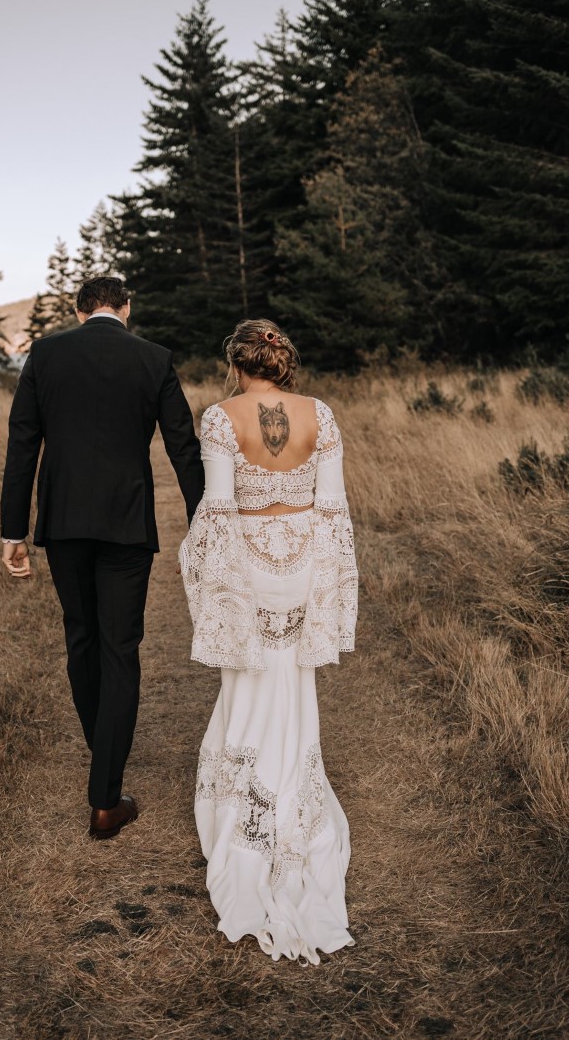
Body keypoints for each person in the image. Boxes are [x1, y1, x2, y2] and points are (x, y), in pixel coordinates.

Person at [179, 320, 358, 965]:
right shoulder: (323, 415)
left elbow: (218, 509)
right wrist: (329, 583)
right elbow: (333, 509)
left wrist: (196, 564)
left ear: (237, 364)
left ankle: (251, 810)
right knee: (291, 683)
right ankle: (293, 796)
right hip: (305, 563)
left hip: (251, 566)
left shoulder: (222, 418)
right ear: (283, 363)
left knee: (247, 683)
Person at [0, 276, 204, 839]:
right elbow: (182, 445)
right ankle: (106, 794)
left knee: (82, 639)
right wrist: (205, 521)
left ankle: (105, 768)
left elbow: (23, 443)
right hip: (125, 524)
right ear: (127, 308)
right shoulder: (154, 359)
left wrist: (12, 530)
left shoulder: (45, 354)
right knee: (120, 649)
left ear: (79, 309)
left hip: (63, 523)